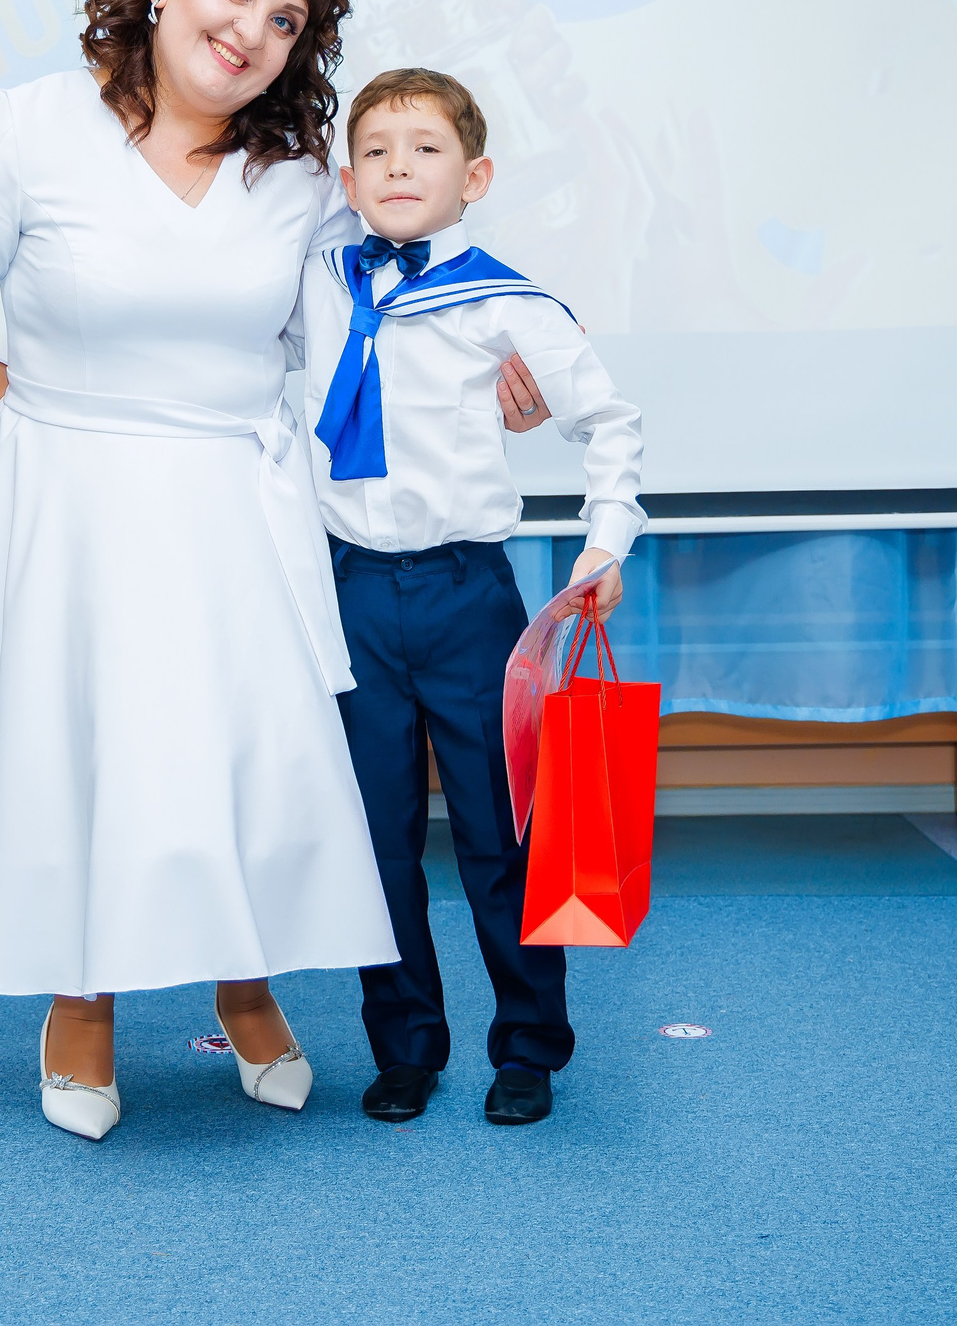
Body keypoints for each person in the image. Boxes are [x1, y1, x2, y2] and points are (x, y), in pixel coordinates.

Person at [0, 0, 553, 1142]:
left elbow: (363, 335)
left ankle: (247, 987)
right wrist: (50, 420)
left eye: (288, 19)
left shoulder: (300, 178)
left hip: (241, 505)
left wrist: (488, 386)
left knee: (244, 758)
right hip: (69, 506)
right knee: (90, 753)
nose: (252, 30)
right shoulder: (27, 130)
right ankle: (80, 1006)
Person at [290, 67, 646, 1127]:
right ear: (345, 177)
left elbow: (609, 423)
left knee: (504, 837)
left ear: (475, 174)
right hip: (345, 589)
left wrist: (604, 546)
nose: (400, 166)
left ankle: (528, 1046)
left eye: (427, 149)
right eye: (377, 151)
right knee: (375, 842)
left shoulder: (503, 300)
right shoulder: (311, 278)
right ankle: (404, 1047)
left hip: (468, 597)